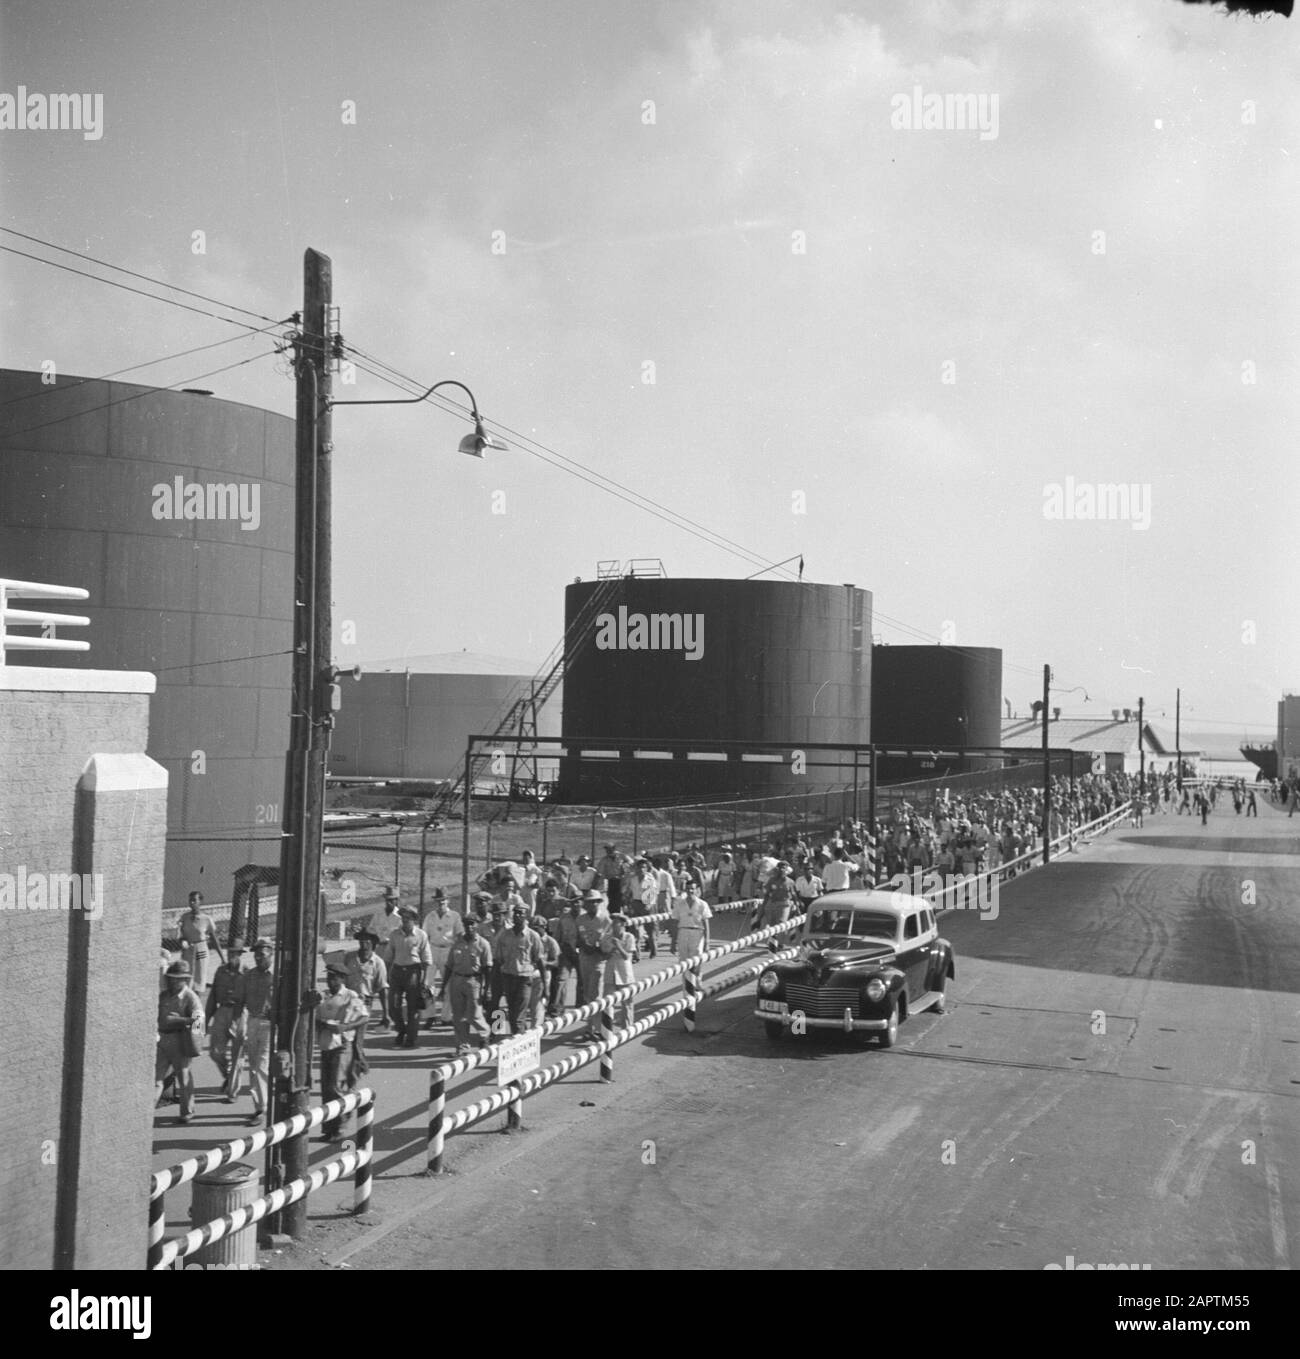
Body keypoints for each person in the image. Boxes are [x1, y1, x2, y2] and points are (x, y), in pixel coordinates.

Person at [314, 964, 366, 1140]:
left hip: (342, 1046)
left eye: (334, 977)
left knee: (337, 1087)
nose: (330, 981)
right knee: (326, 1089)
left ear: (342, 979)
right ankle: (329, 1128)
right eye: (329, 977)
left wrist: (346, 1027)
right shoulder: (324, 996)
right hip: (326, 1044)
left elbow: (364, 1017)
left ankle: (340, 1127)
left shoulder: (350, 996)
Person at [233, 938, 276, 1125]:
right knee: (253, 1066)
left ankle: (263, 1108)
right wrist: (236, 1026)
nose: (259, 959)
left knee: (261, 1065)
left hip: (270, 1024)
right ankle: (259, 1106)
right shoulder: (248, 976)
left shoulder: (277, 977)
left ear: (271, 955)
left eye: (262, 955)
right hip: (251, 1021)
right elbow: (239, 1000)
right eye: (256, 955)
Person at [156, 961, 202, 1124]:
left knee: (183, 1077)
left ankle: (187, 1111)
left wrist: (181, 1021)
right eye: (171, 978)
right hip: (162, 1040)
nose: (173, 982)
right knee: (156, 1080)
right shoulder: (163, 996)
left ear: (185, 979)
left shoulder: (191, 997)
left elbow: (199, 1023)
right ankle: (145, 1115)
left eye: (178, 979)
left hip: (180, 1041)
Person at [441, 918, 493, 1055]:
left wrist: (487, 989)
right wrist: (443, 986)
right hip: (457, 980)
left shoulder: (483, 944)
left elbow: (488, 968)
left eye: (472, 924)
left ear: (477, 925)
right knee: (458, 1016)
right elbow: (449, 965)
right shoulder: (457, 943)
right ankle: (462, 1046)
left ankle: (485, 1032)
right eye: (467, 924)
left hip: (474, 981)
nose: (469, 927)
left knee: (473, 1015)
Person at [204, 939, 246, 1102]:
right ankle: (228, 1074)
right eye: (229, 952)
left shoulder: (246, 973)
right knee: (215, 1052)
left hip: (240, 1013)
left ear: (240, 954)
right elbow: (212, 998)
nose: (231, 955)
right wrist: (202, 1025)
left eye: (234, 952)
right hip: (222, 1011)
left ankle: (232, 1092)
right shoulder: (220, 971)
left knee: (238, 1055)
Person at [384, 907, 432, 1048]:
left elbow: (426, 960)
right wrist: (386, 976)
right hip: (397, 971)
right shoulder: (394, 934)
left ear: (414, 919)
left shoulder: (421, 935)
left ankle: (411, 1037)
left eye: (408, 918)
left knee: (413, 1007)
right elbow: (388, 957)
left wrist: (425, 980)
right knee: (393, 1005)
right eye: (403, 917)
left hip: (413, 972)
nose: (405, 920)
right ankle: (401, 1030)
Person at [344, 931, 389, 1080]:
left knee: (357, 1040)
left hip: (364, 1004)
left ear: (373, 944)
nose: (363, 945)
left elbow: (382, 988)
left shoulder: (378, 963)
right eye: (361, 941)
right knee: (346, 1039)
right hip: (347, 1002)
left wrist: (386, 1014)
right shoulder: (349, 958)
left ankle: (354, 1074)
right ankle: (361, 1065)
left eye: (367, 942)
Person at [496, 904, 546, 1035]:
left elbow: (540, 961)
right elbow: (499, 959)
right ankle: (521, 1038)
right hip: (508, 977)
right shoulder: (505, 935)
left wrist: (545, 986)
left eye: (521, 913)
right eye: (515, 913)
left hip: (524, 979)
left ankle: (518, 1041)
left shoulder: (532, 936)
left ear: (526, 916)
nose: (517, 915)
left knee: (519, 1016)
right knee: (513, 1014)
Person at [420, 891, 462, 1026]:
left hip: (448, 950)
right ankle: (430, 1016)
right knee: (427, 984)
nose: (441, 902)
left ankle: (446, 1017)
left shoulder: (454, 916)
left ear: (448, 900)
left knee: (449, 984)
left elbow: (460, 934)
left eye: (443, 900)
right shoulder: (430, 916)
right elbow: (424, 935)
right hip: (432, 949)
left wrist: (458, 952)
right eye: (438, 900)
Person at [576, 890, 609, 1034]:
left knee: (596, 994)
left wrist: (598, 948)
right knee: (587, 993)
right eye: (589, 902)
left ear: (599, 903)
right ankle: (590, 1026)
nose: (592, 904)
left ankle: (595, 1028)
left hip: (598, 960)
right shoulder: (580, 919)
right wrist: (584, 946)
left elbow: (609, 942)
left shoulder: (605, 919)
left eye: (595, 901)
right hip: (584, 958)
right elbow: (577, 938)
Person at [178, 891, 225, 992]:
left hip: (201, 951)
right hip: (188, 950)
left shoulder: (206, 919)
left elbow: (214, 939)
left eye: (195, 900)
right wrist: (182, 941)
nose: (192, 903)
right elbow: (180, 935)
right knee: (186, 978)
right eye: (190, 900)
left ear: (200, 902)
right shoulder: (184, 917)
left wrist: (222, 957)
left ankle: (197, 1000)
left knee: (199, 980)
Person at [600, 913, 637, 1028]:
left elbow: (627, 956)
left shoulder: (629, 937)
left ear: (623, 924)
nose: (614, 925)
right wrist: (610, 952)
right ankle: (607, 1030)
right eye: (613, 922)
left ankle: (627, 1027)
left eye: (616, 923)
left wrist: (618, 946)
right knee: (607, 1002)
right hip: (610, 972)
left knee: (627, 1003)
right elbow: (603, 956)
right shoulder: (606, 937)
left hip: (624, 973)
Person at [547, 898, 582, 1015]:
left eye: (578, 901)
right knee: (561, 980)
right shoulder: (564, 918)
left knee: (582, 981)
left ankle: (580, 1008)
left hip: (582, 953)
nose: (576, 904)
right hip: (566, 952)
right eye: (574, 902)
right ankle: (558, 1008)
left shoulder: (585, 917)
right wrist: (556, 951)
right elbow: (557, 936)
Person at [530, 914, 560, 1027]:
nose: (534, 931)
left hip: (544, 973)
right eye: (532, 928)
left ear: (544, 927)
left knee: (538, 1003)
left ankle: (536, 1027)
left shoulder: (551, 942)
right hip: (528, 972)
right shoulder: (529, 939)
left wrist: (544, 964)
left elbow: (556, 962)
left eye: (537, 928)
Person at [675, 882, 713, 961]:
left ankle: (696, 970)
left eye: (692, 889)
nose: (690, 891)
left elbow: (706, 924)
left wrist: (707, 942)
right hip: (683, 933)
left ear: (696, 890)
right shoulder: (679, 904)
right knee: (683, 960)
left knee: (696, 959)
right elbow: (675, 922)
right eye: (688, 888)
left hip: (697, 933)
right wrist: (673, 942)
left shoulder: (702, 904)